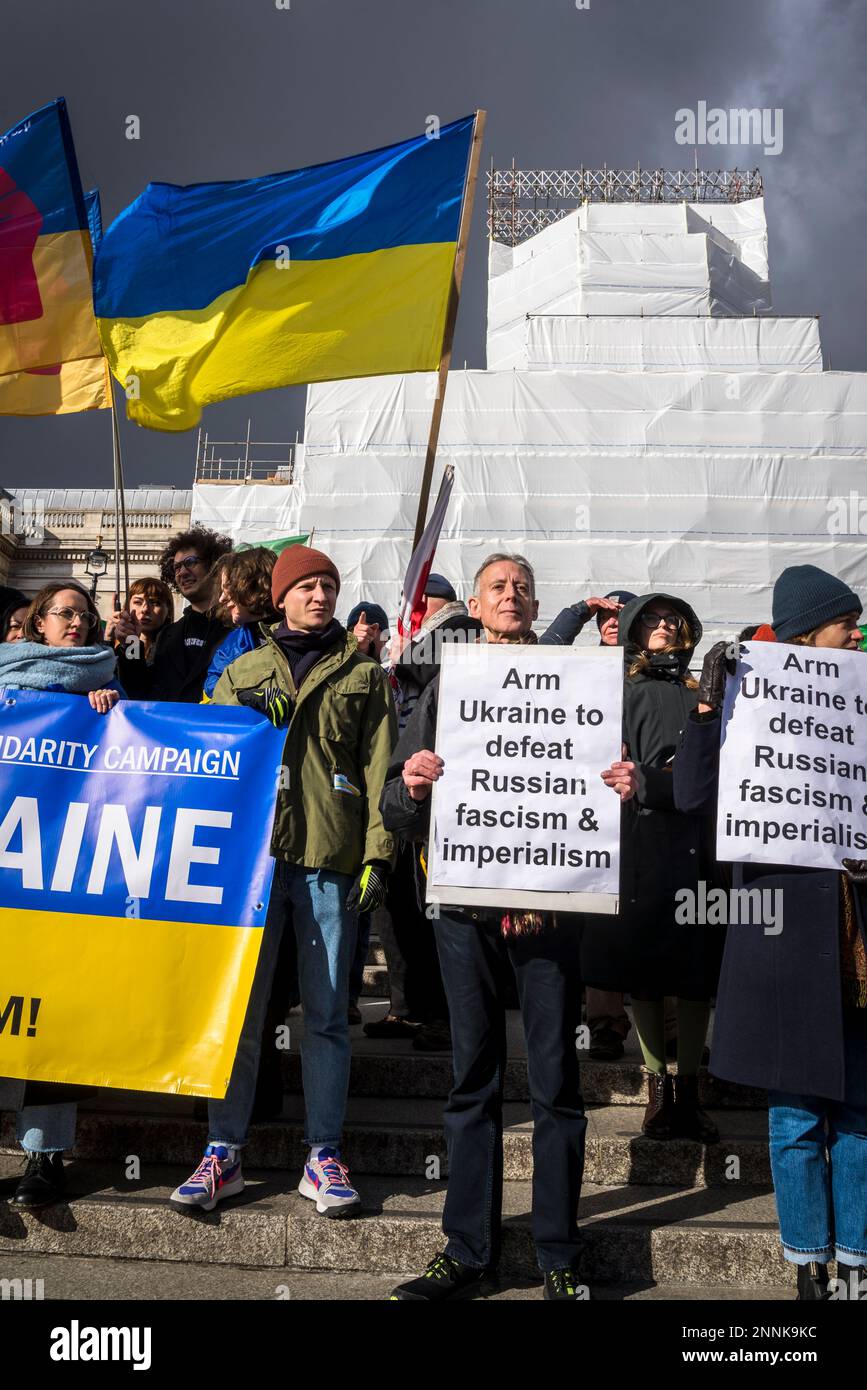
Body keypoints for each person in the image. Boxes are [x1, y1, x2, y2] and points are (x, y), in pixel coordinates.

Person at [380, 553, 637, 1300]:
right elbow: (395, 809)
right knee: (471, 1082)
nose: (512, 596)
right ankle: (465, 1250)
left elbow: (600, 796)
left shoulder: (578, 684)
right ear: (475, 604)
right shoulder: (445, 685)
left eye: (523, 587)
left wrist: (620, 786)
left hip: (549, 913)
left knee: (556, 1085)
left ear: (535, 604)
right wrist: (411, 782)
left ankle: (559, 1252)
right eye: (498, 586)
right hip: (463, 914)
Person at [169, 545, 397, 1218]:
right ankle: (222, 1152)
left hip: (330, 859)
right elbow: (202, 760)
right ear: (280, 596)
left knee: (326, 1018)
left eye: (329, 584)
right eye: (307, 586)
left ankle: (323, 1155)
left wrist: (377, 855)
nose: (320, 594)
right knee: (239, 1014)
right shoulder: (241, 670)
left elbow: (381, 770)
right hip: (249, 866)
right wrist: (240, 718)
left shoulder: (364, 673)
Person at [674, 564, 867, 1300]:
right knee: (794, 1115)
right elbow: (694, 796)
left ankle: (853, 1257)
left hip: (854, 942)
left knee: (855, 1111)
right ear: (807, 632)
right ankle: (807, 1265)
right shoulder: (746, 704)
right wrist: (703, 708)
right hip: (784, 938)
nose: (855, 633)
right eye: (844, 623)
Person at [580, 594, 722, 1143]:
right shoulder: (620, 689)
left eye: (673, 621)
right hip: (639, 838)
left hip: (696, 839)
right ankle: (657, 1087)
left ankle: (688, 1087)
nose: (663, 626)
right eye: (652, 619)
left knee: (693, 970)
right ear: (635, 631)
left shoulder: (702, 693)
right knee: (644, 970)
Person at [0, 581, 122, 1208]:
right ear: (37, 623)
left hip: (67, 875)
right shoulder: (3, 685)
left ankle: (45, 1159)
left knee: (55, 1022)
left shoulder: (107, 689)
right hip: (6, 872)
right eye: (63, 613)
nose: (75, 622)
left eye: (84, 614)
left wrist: (114, 713)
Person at [365, 591, 483, 1048]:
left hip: (446, 802)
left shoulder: (462, 632)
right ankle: (406, 1008)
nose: (413, 610)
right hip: (403, 788)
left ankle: (442, 1016)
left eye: (421, 603)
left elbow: (432, 675)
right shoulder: (415, 639)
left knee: (435, 916)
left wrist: (398, 655)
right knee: (399, 913)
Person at [542, 590, 638, 1061]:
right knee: (600, 924)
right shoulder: (577, 668)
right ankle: (604, 1024)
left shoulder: (663, 673)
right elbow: (541, 661)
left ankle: (673, 1029)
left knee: (654, 920)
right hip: (588, 817)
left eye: (622, 616)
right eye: (603, 616)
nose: (610, 623)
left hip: (645, 812)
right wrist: (576, 610)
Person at [146, 526, 232, 702]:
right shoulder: (167, 635)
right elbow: (139, 687)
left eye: (191, 562)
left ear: (213, 565)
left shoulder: (237, 630)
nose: (182, 572)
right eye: (177, 567)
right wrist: (129, 643)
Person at [202, 547, 280, 700]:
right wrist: (242, 697)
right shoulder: (231, 644)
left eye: (229, 588)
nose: (222, 599)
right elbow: (211, 690)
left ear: (256, 584)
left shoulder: (300, 635)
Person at [105, 576, 174, 697]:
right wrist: (107, 639)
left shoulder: (174, 648)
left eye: (155, 603)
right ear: (127, 607)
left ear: (168, 610)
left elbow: (140, 688)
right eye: (137, 602)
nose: (145, 609)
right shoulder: (121, 649)